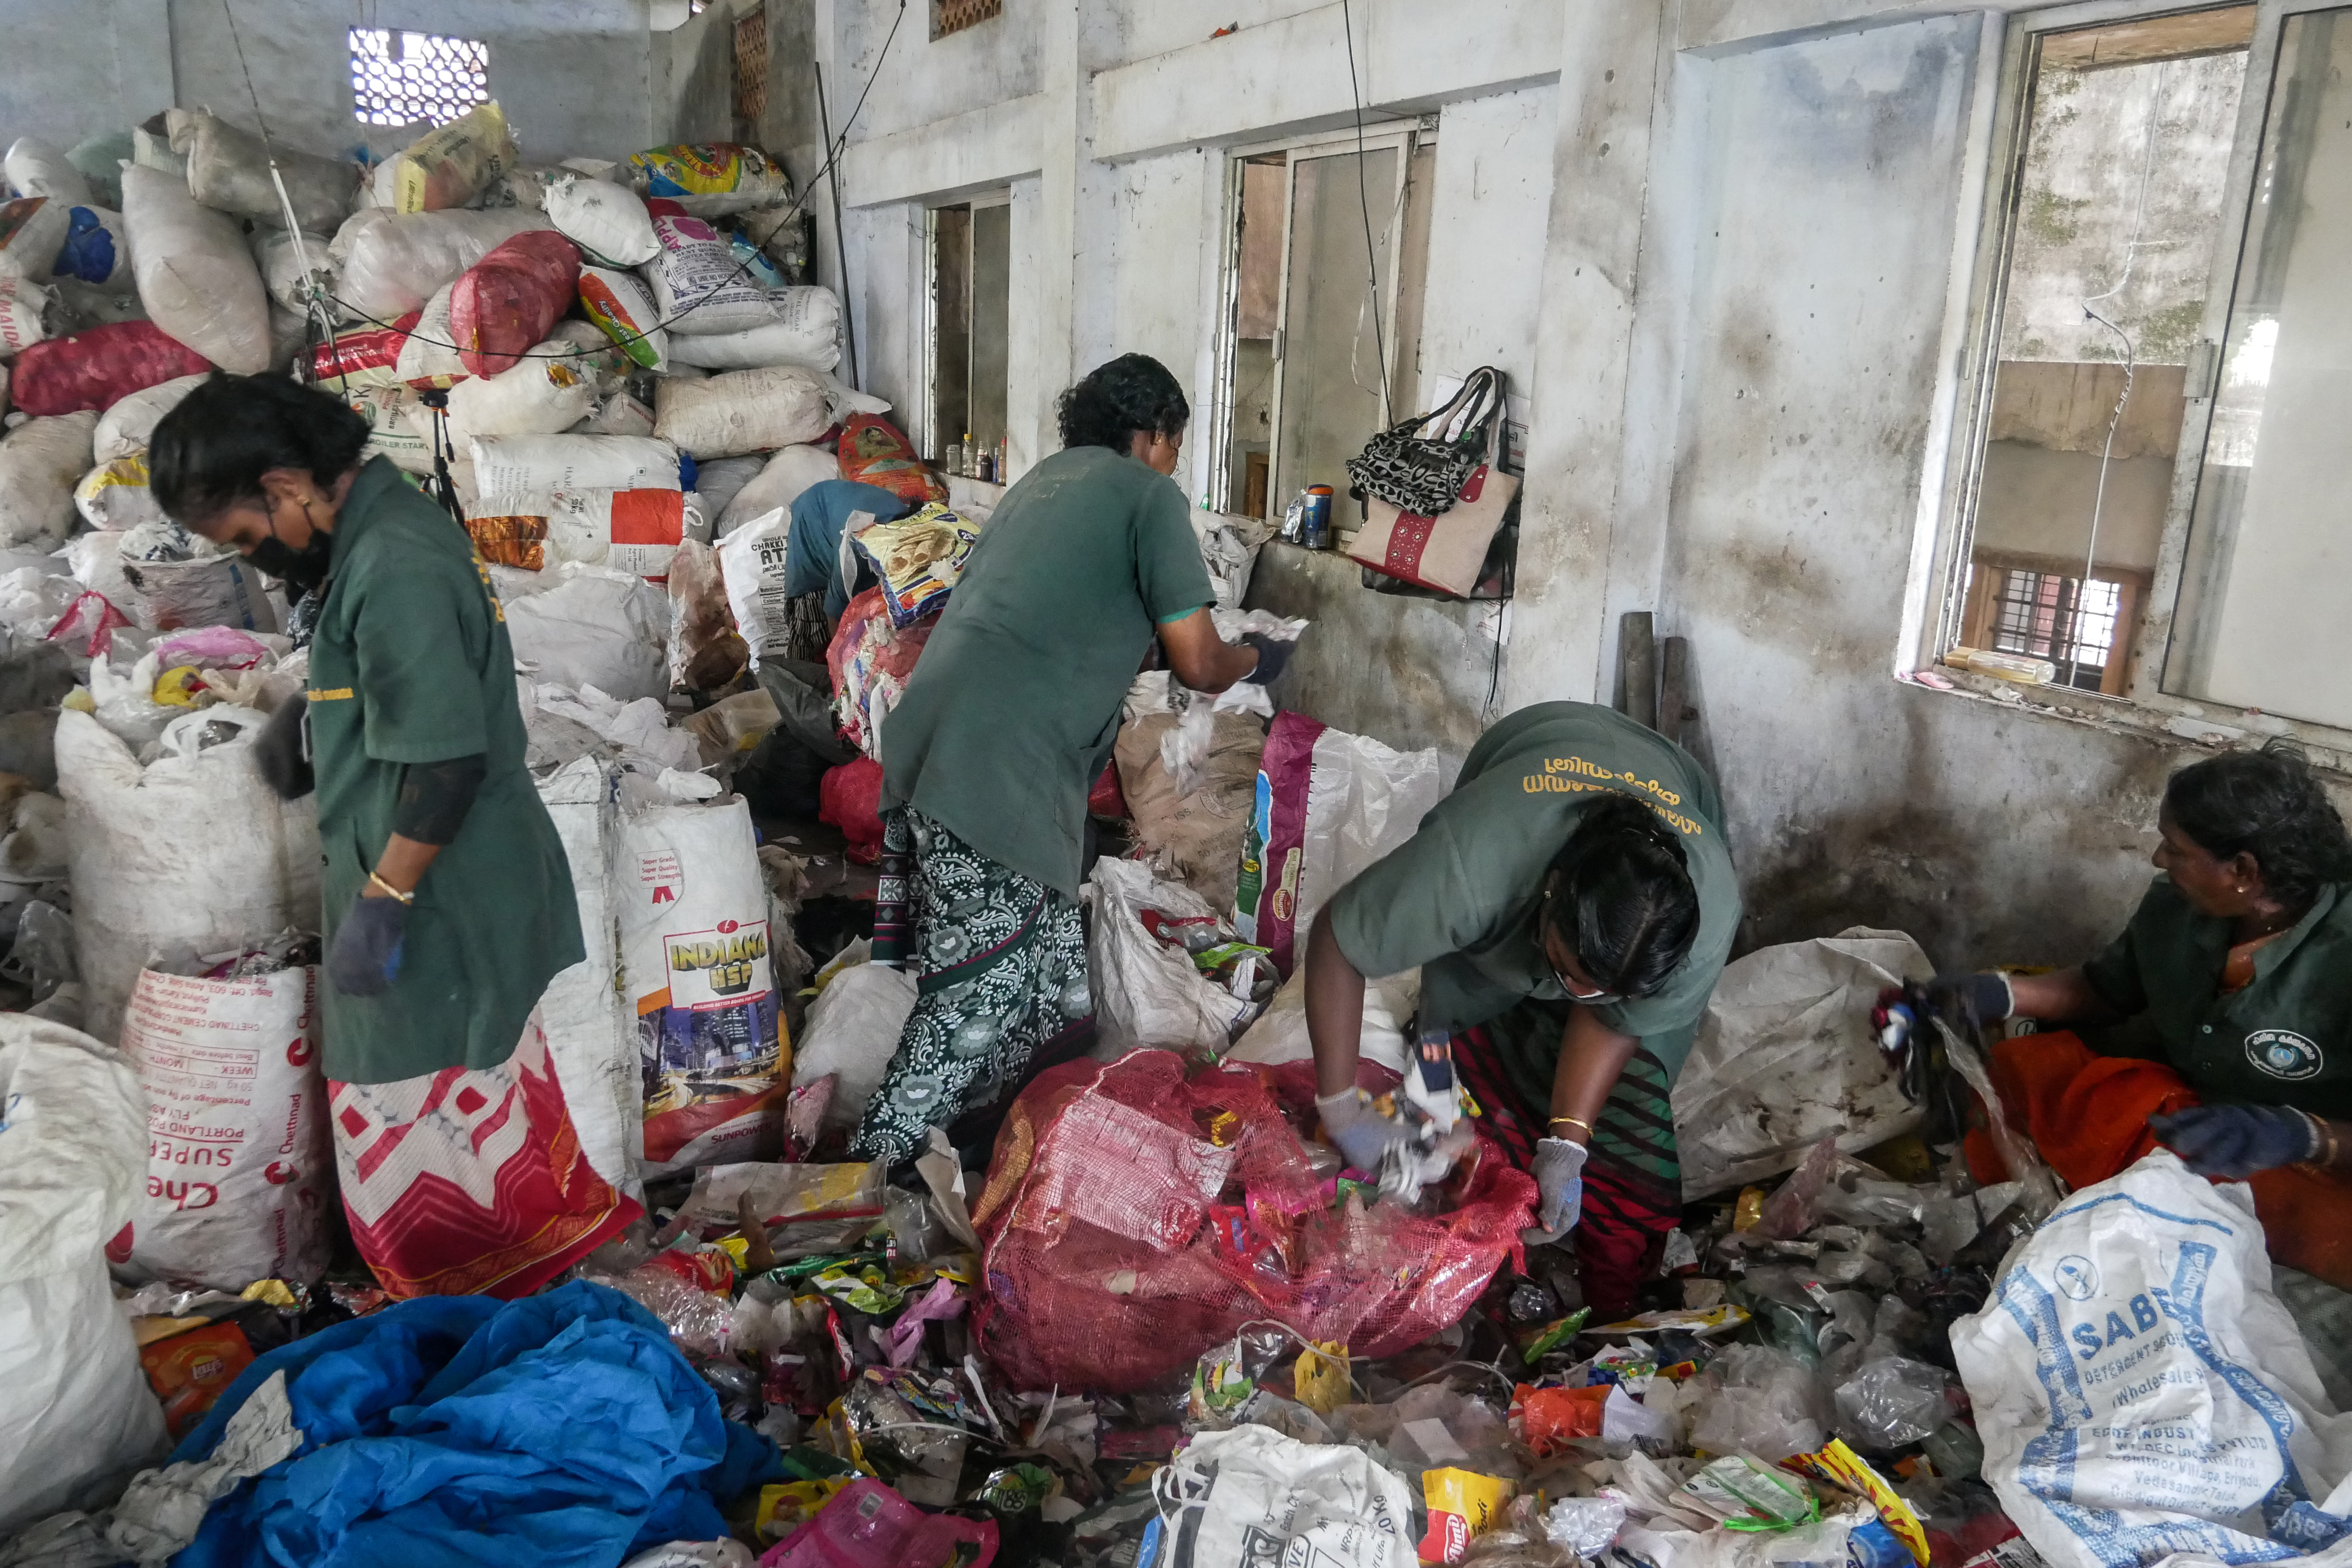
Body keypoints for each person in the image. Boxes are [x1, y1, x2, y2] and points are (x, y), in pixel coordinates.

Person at [148, 373, 635, 1298]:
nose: (259, 562)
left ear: (287, 488)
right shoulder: (371, 533)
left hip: (437, 894)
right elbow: (399, 669)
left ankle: (474, 1313)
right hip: (428, 879)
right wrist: (315, 712)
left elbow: (445, 765)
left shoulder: (396, 561)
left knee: (427, 1126)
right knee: (466, 1127)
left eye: (250, 539)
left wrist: (386, 901)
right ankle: (497, 1298)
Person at [849, 353, 1288, 1163]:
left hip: (942, 730)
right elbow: (1197, 658)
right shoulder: (1148, 497)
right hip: (997, 763)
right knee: (980, 987)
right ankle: (868, 1171)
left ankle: (991, 1141)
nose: (1174, 461)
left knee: (1058, 993)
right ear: (1154, 435)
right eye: (1175, 444)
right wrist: (1253, 659)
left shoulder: (1040, 486)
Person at [1303, 702, 1741, 1319]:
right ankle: (1467, 1146)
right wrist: (1341, 1110)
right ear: (1551, 889)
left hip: (1671, 780)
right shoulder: (1472, 865)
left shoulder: (1703, 920)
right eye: (1563, 970)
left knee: (1632, 1092)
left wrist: (1568, 1142)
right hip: (1533, 746)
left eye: (1597, 988)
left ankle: (1599, 1266)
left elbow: (1614, 1017)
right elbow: (1338, 943)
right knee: (1458, 1026)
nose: (1573, 994)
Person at [1904, 741, 2352, 1289]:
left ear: (2241, 870)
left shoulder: (2342, 953)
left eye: (2174, 847)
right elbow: (2105, 989)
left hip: (2303, 1165)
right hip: (2186, 1124)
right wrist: (2000, 994)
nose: (2158, 859)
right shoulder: (2175, 906)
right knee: (2024, 1074)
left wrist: (2304, 1134)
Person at [731, 479, 914, 818]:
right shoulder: (857, 553)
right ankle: (793, 728)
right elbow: (836, 617)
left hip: (842, 512)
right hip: (815, 524)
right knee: (808, 630)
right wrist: (844, 667)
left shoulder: (914, 543)